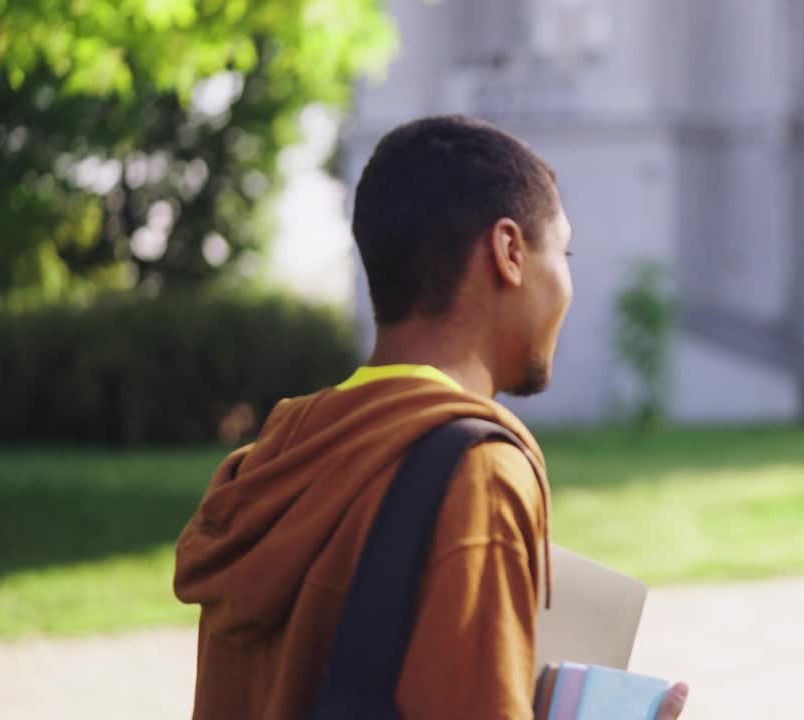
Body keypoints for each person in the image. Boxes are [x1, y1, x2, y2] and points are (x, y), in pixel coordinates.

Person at [174, 115, 687, 719]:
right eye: (564, 250)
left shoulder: (275, 456)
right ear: (509, 252)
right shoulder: (479, 472)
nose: (568, 285)